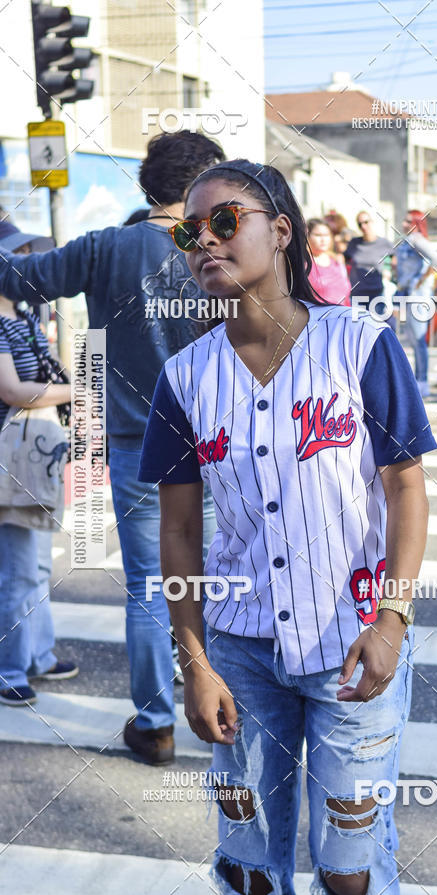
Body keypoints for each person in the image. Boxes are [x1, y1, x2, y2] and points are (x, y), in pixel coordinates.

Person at [139, 159, 437, 895]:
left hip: (353, 646)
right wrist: (194, 663)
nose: (204, 240)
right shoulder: (185, 380)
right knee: (249, 871)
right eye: (189, 230)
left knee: (351, 874)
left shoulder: (359, 346)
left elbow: (405, 490)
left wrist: (392, 619)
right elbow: (177, 533)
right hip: (238, 658)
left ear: (280, 232)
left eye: (225, 220)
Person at [0, 130, 223, 764]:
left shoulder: (107, 247)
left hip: (135, 446)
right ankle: (223, 703)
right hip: (218, 445)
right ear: (201, 185)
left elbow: (18, 277)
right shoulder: (218, 250)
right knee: (218, 581)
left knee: (151, 587)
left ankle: (154, 724)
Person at [0, 223, 78, 706]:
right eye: (20, 253)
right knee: (18, 568)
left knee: (33, 564)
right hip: (9, 455)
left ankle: (39, 655)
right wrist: (81, 391)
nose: (30, 261)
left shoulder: (24, 315)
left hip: (32, 453)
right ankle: (11, 669)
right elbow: (10, 390)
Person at [395, 210, 437, 397]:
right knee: (413, 340)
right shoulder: (407, 240)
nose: (404, 223)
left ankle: (423, 381)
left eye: (409, 220)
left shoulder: (417, 239)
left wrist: (422, 279)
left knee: (419, 339)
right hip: (407, 293)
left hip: (418, 295)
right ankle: (418, 379)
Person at [345, 209, 395, 301]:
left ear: (372, 222)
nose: (363, 226)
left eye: (366, 222)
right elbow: (342, 261)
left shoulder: (384, 243)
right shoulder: (353, 243)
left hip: (377, 294)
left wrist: (389, 272)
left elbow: (397, 260)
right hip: (357, 295)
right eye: (360, 224)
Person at [306, 218, 351, 306]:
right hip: (319, 317)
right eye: (318, 235)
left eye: (326, 235)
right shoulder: (304, 263)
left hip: (345, 315)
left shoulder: (337, 260)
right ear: (307, 236)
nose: (323, 239)